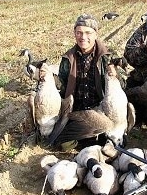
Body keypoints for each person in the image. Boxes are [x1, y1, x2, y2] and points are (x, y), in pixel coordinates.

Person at [52, 13, 126, 151]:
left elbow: (123, 88)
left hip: (102, 112)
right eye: (79, 32)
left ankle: (92, 138)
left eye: (88, 32)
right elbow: (62, 86)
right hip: (78, 113)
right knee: (64, 145)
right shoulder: (68, 58)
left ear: (96, 34)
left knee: (113, 142)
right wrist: (49, 79)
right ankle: (85, 137)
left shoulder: (107, 58)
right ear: (74, 34)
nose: (83, 37)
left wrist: (115, 77)